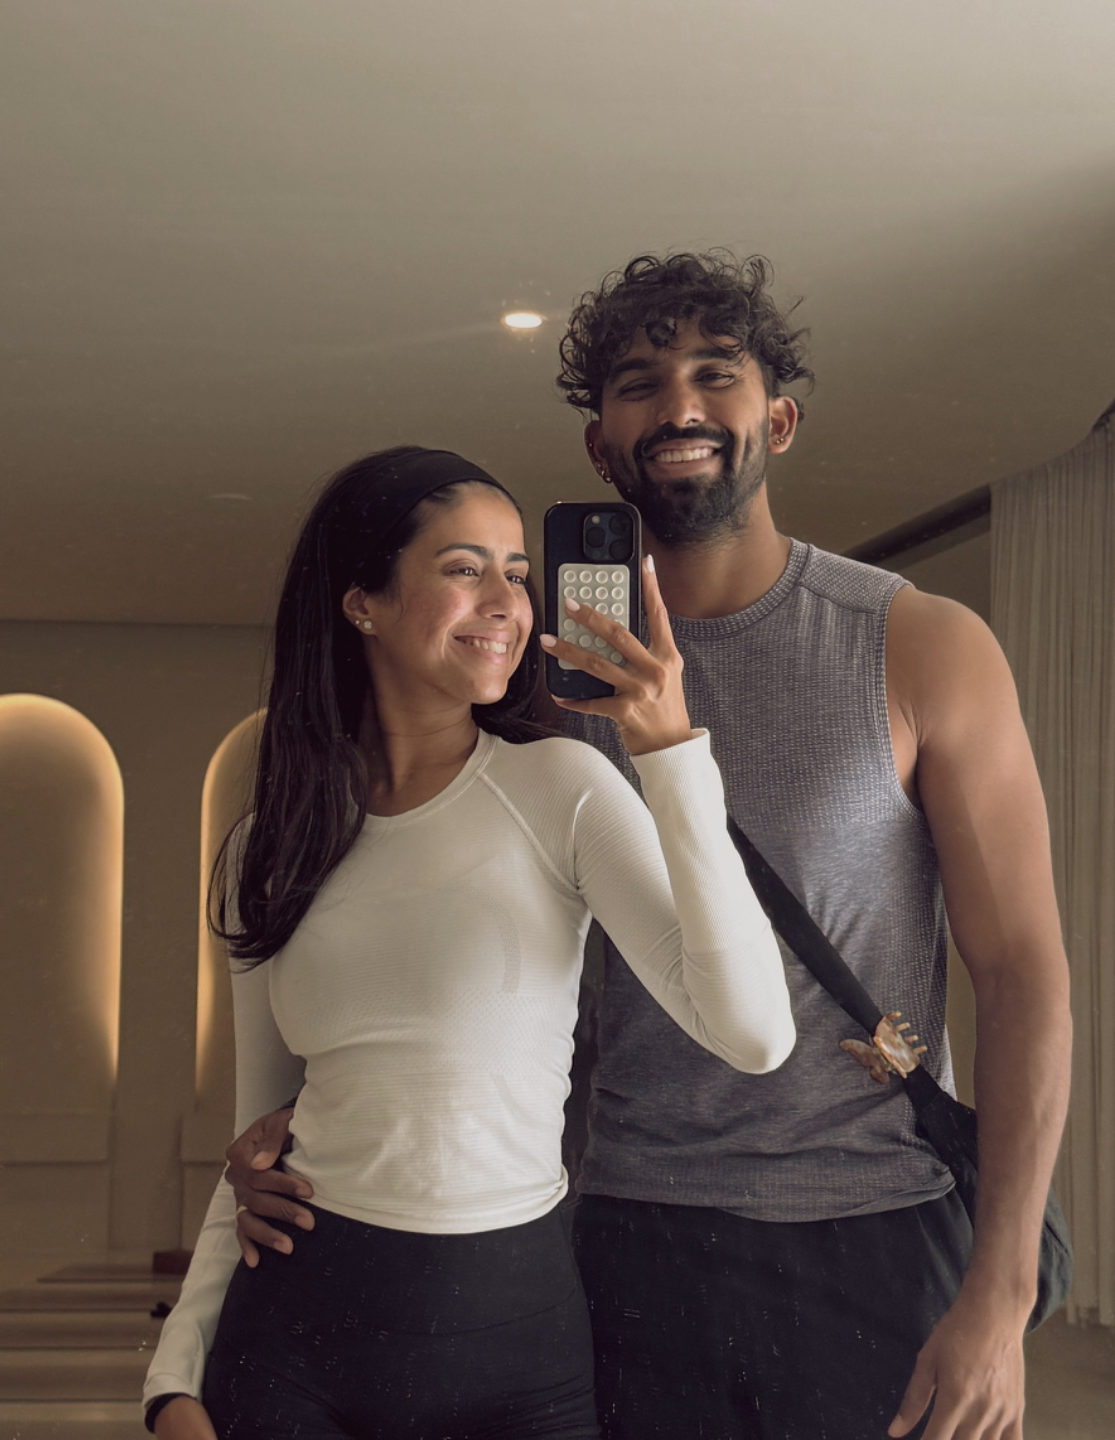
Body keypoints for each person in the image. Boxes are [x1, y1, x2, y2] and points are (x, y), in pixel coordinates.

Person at [226, 253, 1073, 1440]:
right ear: (600, 448)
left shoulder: (918, 645)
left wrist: (1002, 1291)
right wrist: (292, 1132)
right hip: (623, 1236)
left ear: (777, 419)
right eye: (638, 384)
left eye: (715, 374)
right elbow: (415, 906)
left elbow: (1023, 972)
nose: (678, 405)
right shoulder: (530, 681)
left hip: (872, 1222)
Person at [143, 445, 796, 1440]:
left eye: (517, 573)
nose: (506, 603)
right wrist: (170, 1383)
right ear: (362, 602)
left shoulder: (562, 791)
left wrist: (668, 752)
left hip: (516, 1348)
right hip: (294, 1342)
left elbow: (754, 1036)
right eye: (463, 568)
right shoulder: (270, 844)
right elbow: (259, 1150)